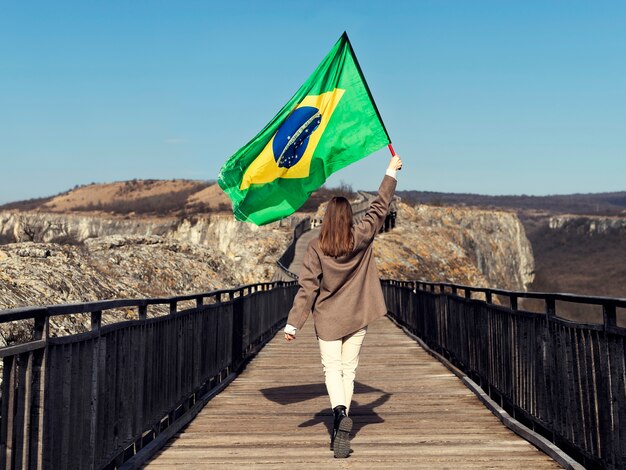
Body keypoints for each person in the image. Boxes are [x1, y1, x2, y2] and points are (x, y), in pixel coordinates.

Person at [284, 154, 403, 458]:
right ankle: (341, 425)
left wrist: (293, 324)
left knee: (331, 369)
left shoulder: (315, 247)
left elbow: (307, 287)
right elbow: (379, 207)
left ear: (326, 220)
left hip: (328, 320)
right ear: (349, 218)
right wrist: (390, 171)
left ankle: (338, 415)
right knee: (348, 371)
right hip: (358, 316)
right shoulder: (360, 236)